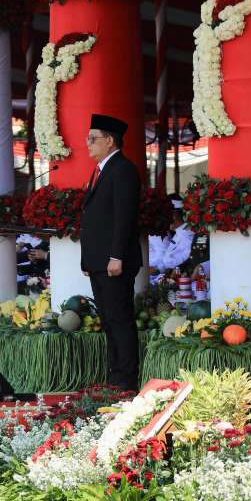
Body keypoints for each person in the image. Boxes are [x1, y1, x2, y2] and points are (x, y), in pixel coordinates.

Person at [80, 113, 142, 391]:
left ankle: (126, 379)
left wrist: (116, 255)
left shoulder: (123, 169)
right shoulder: (102, 171)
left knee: (119, 319)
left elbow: (123, 217)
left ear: (109, 140)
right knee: (108, 320)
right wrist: (87, 259)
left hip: (114, 261)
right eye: (87, 139)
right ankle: (115, 376)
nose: (87, 144)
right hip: (99, 261)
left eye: (93, 139)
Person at [148, 197, 194, 283]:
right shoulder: (179, 232)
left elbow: (185, 258)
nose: (164, 220)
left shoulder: (187, 234)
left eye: (166, 215)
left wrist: (158, 269)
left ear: (174, 216)